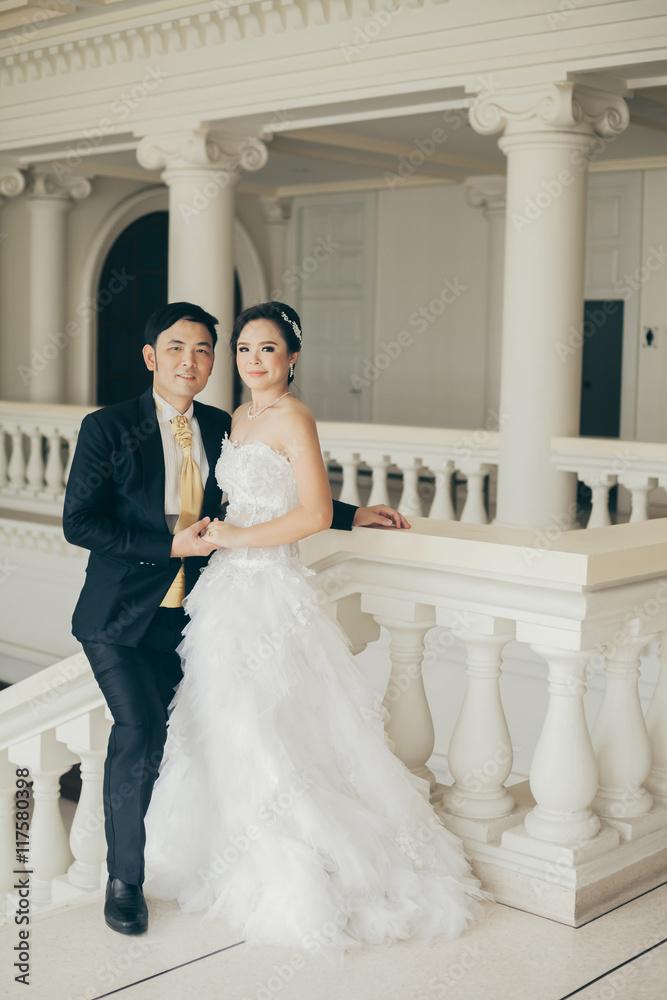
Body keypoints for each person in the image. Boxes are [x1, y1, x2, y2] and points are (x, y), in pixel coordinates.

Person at [141, 301, 489, 966]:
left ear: (291, 358)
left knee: (275, 724)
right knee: (223, 722)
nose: (252, 361)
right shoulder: (234, 418)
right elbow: (248, 498)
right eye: (242, 349)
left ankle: (303, 867)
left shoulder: (294, 415)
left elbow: (311, 508)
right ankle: (226, 854)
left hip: (270, 589)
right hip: (223, 593)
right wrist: (352, 518)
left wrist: (247, 536)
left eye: (267, 350)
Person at [62, 301, 407, 938]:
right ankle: (124, 881)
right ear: (151, 357)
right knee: (139, 731)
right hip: (118, 618)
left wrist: (350, 514)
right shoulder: (107, 427)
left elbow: (270, 493)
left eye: (203, 350)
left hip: (196, 615)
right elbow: (79, 523)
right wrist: (171, 546)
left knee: (211, 738)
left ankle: (219, 862)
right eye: (175, 349)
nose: (190, 361)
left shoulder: (228, 422)